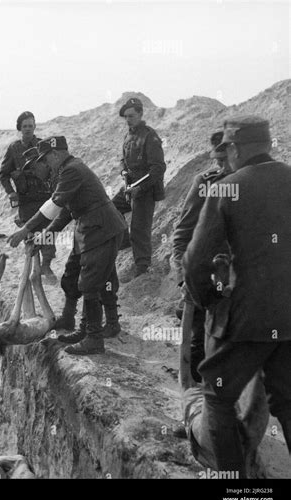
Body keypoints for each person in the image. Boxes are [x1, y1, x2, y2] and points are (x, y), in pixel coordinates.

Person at [183, 115, 291, 477]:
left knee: (217, 396)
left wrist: (210, 303)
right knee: (288, 401)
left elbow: (196, 262)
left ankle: (237, 490)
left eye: (226, 148)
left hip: (245, 318)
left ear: (234, 147)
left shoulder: (225, 189)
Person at [8, 136, 127, 355]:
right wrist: (44, 236)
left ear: (55, 155)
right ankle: (82, 322)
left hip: (101, 228)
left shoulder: (72, 170)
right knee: (77, 274)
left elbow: (55, 206)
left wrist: (26, 230)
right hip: (89, 229)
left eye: (45, 159)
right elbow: (63, 213)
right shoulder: (66, 171)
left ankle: (94, 337)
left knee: (91, 283)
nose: (44, 165)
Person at [172, 130, 233, 383]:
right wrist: (183, 279)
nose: (222, 166)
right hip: (209, 275)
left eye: (226, 159)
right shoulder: (206, 183)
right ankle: (199, 413)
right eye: (218, 161)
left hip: (246, 279)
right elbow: (183, 234)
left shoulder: (263, 182)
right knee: (200, 350)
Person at [0, 245, 55, 365]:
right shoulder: (8, 329)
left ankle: (34, 245)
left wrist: (1, 269)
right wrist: (28, 256)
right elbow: (21, 287)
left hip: (29, 319)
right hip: (45, 323)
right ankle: (34, 252)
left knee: (28, 281)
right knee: (34, 282)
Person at [111, 98, 166, 282]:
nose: (128, 120)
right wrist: (123, 170)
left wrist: (140, 188)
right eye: (126, 117)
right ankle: (124, 241)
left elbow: (158, 168)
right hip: (130, 185)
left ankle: (143, 267)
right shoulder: (128, 135)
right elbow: (123, 159)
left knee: (139, 229)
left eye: (131, 116)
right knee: (112, 209)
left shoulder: (150, 136)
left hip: (146, 189)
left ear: (141, 114)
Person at [0, 111, 57, 284]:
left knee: (48, 232)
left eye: (31, 125)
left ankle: (46, 265)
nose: (28, 129)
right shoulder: (14, 149)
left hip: (44, 196)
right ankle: (32, 268)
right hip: (25, 199)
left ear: (35, 127)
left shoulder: (42, 146)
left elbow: (52, 169)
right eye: (24, 126)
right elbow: (3, 174)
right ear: (19, 128)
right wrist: (11, 192)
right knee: (29, 233)